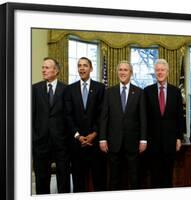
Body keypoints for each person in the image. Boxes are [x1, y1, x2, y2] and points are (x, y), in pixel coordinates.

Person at [99, 60, 147, 190]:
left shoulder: (139, 92)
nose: (123, 72)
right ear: (117, 72)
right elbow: (104, 117)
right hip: (113, 143)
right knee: (114, 178)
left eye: (126, 70)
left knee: (134, 177)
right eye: (120, 70)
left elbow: (143, 118)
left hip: (133, 143)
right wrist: (102, 138)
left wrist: (143, 139)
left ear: (131, 73)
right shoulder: (109, 92)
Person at [65, 57, 107, 192]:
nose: (82, 68)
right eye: (79, 66)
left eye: (85, 65)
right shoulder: (70, 89)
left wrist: (93, 134)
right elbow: (68, 115)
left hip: (95, 143)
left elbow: (102, 114)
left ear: (91, 69)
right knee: (78, 182)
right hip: (77, 144)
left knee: (99, 181)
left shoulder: (100, 88)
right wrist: (78, 136)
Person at [143, 58, 184, 188]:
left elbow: (179, 117)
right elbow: (144, 118)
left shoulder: (176, 92)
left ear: (167, 72)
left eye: (162, 70)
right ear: (154, 72)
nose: (160, 72)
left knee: (168, 175)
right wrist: (144, 139)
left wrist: (179, 137)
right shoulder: (147, 91)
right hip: (152, 142)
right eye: (157, 70)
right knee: (154, 176)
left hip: (170, 142)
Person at [32, 57, 70, 194]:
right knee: (41, 178)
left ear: (56, 70)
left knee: (63, 178)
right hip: (40, 142)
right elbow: (31, 115)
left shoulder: (66, 89)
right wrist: (34, 137)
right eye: (43, 67)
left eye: (47, 67)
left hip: (61, 142)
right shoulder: (34, 89)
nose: (43, 70)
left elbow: (68, 116)